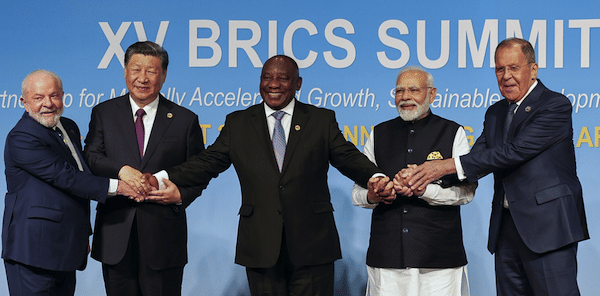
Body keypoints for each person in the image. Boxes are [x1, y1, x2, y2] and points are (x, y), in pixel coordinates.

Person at [144, 55, 394, 296]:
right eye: (267, 77)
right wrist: (162, 177)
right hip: (260, 245)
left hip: (313, 245)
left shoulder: (320, 120)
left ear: (297, 84)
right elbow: (207, 162)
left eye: (283, 78)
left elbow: (347, 157)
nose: (273, 84)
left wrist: (375, 176)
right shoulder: (238, 123)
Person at [401, 38, 589, 295]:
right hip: (507, 230)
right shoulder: (495, 112)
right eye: (500, 69)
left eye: (514, 68)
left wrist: (442, 166)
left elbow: (514, 152)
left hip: (548, 228)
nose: (506, 76)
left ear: (533, 69)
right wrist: (423, 177)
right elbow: (478, 159)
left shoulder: (555, 105)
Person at [83, 41, 206, 296]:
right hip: (115, 233)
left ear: (163, 76)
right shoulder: (104, 113)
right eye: (136, 69)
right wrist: (121, 170)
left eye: (151, 71)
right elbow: (91, 157)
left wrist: (181, 195)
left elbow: (198, 170)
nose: (142, 78)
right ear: (125, 72)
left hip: (163, 239)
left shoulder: (184, 120)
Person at [2, 70, 138, 296]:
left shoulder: (69, 126)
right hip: (33, 251)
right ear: (24, 102)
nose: (48, 104)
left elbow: (82, 170)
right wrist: (119, 186)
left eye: (54, 96)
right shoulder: (22, 137)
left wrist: (81, 233)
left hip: (65, 247)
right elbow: (66, 177)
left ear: (63, 96)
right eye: (39, 98)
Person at [351, 66, 476, 296]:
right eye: (399, 91)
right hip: (387, 259)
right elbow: (358, 194)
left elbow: (467, 192)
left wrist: (424, 190)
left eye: (413, 90)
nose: (405, 97)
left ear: (432, 94)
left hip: (439, 261)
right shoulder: (378, 133)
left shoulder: (452, 132)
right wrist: (374, 195)